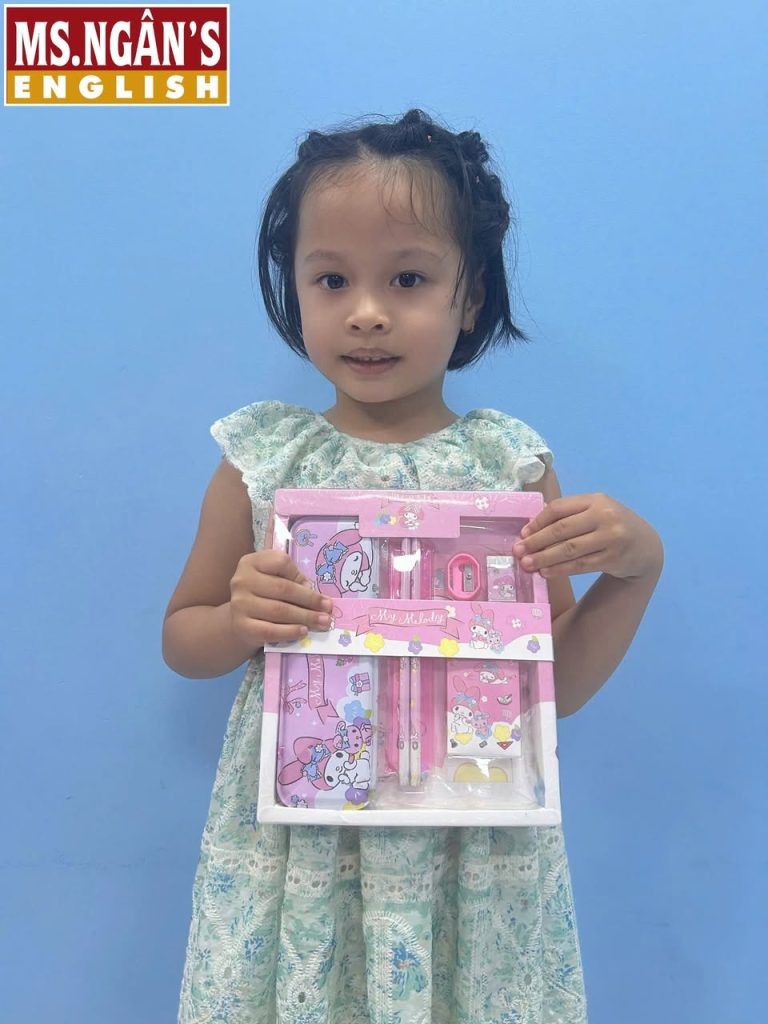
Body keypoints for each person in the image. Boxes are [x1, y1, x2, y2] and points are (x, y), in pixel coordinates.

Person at [163, 107, 664, 1024]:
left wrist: (634, 573)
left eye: (408, 278)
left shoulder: (509, 467)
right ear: (295, 290)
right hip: (303, 845)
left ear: (470, 298)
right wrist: (236, 621)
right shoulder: (264, 462)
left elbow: (552, 684)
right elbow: (182, 638)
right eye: (331, 278)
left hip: (468, 844)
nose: (367, 310)